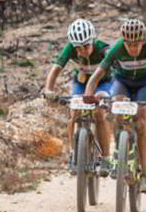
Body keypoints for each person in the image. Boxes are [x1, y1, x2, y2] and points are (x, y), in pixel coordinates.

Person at [84, 15, 146, 191]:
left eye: (136, 44)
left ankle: (145, 174)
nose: (132, 48)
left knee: (140, 123)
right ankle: (118, 153)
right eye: (128, 44)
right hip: (122, 82)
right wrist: (88, 93)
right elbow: (97, 75)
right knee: (115, 108)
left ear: (143, 41)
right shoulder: (116, 48)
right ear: (123, 42)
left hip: (144, 83)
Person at [42, 18, 113, 171]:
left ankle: (106, 158)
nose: (82, 50)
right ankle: (73, 153)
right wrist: (48, 89)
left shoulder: (102, 49)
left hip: (103, 82)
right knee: (74, 112)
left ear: (93, 40)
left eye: (86, 45)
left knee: (99, 114)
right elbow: (55, 70)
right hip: (80, 83)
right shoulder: (69, 49)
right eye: (78, 48)